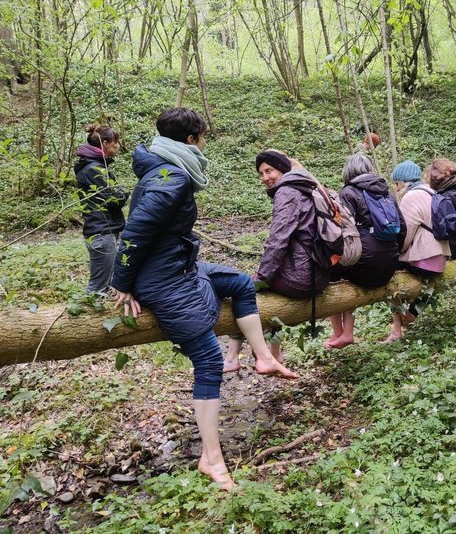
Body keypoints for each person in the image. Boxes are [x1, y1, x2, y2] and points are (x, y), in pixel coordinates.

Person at [111, 108, 298, 491]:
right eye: (204, 136)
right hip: (163, 280)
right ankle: (210, 457)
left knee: (241, 284)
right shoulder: (172, 175)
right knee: (210, 360)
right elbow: (136, 230)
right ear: (193, 138)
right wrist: (122, 283)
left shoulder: (165, 165)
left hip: (181, 265)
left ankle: (263, 357)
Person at [224, 150, 330, 367]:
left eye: (269, 170)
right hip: (320, 274)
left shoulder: (287, 192)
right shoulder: (306, 186)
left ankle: (232, 357)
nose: (265, 178)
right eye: (261, 174)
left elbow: (278, 240)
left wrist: (261, 277)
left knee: (242, 289)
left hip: (301, 277)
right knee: (265, 286)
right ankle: (275, 353)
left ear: (283, 169)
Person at [325, 153, 405, 348]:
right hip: (389, 264)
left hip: (365, 268)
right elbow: (402, 228)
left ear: (347, 172)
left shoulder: (348, 193)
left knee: (332, 271)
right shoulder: (386, 192)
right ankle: (344, 333)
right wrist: (394, 255)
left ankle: (342, 333)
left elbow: (341, 231)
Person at [386, 160, 450, 343]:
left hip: (425, 260)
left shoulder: (411, 197)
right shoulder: (431, 192)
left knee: (389, 276)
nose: (396, 188)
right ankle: (412, 313)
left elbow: (405, 236)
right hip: (440, 259)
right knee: (430, 283)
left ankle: (397, 329)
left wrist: (395, 254)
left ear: (404, 181)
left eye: (397, 183)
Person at [74, 124, 129, 296]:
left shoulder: (97, 166)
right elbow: (113, 198)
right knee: (97, 288)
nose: (118, 145)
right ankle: (83, 320)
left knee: (106, 284)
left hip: (106, 229)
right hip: (101, 230)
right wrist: (124, 192)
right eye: (116, 142)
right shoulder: (93, 169)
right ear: (105, 143)